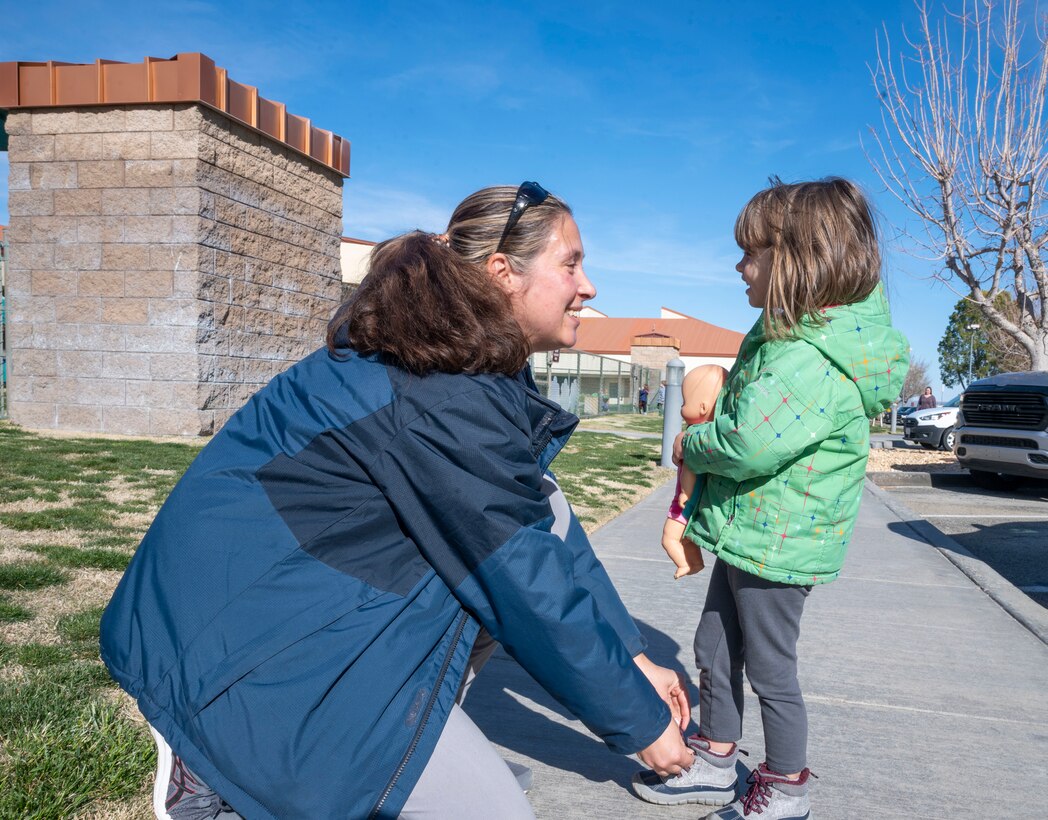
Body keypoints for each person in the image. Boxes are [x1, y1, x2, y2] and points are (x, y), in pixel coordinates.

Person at [100, 182, 695, 820]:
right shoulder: (444, 391)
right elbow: (523, 577)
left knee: (537, 512)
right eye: (571, 264)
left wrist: (632, 659)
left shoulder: (471, 360)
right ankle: (213, 769)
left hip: (293, 603)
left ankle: (384, 756)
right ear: (503, 275)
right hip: (239, 645)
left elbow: (541, 526)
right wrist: (638, 722)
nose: (589, 287)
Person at [632, 178, 909, 817]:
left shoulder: (812, 357)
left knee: (769, 668)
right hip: (752, 531)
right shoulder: (784, 340)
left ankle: (787, 787)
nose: (739, 265)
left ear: (795, 263)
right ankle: (717, 754)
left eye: (750, 253)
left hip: (780, 544)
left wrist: (692, 446)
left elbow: (751, 442)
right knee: (713, 646)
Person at [660, 365, 727, 579]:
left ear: (702, 407)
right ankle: (695, 563)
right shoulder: (710, 435)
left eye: (684, 402)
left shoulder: (694, 438)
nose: (681, 408)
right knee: (685, 537)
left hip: (684, 501)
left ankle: (684, 564)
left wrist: (685, 493)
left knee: (669, 538)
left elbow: (689, 468)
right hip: (698, 500)